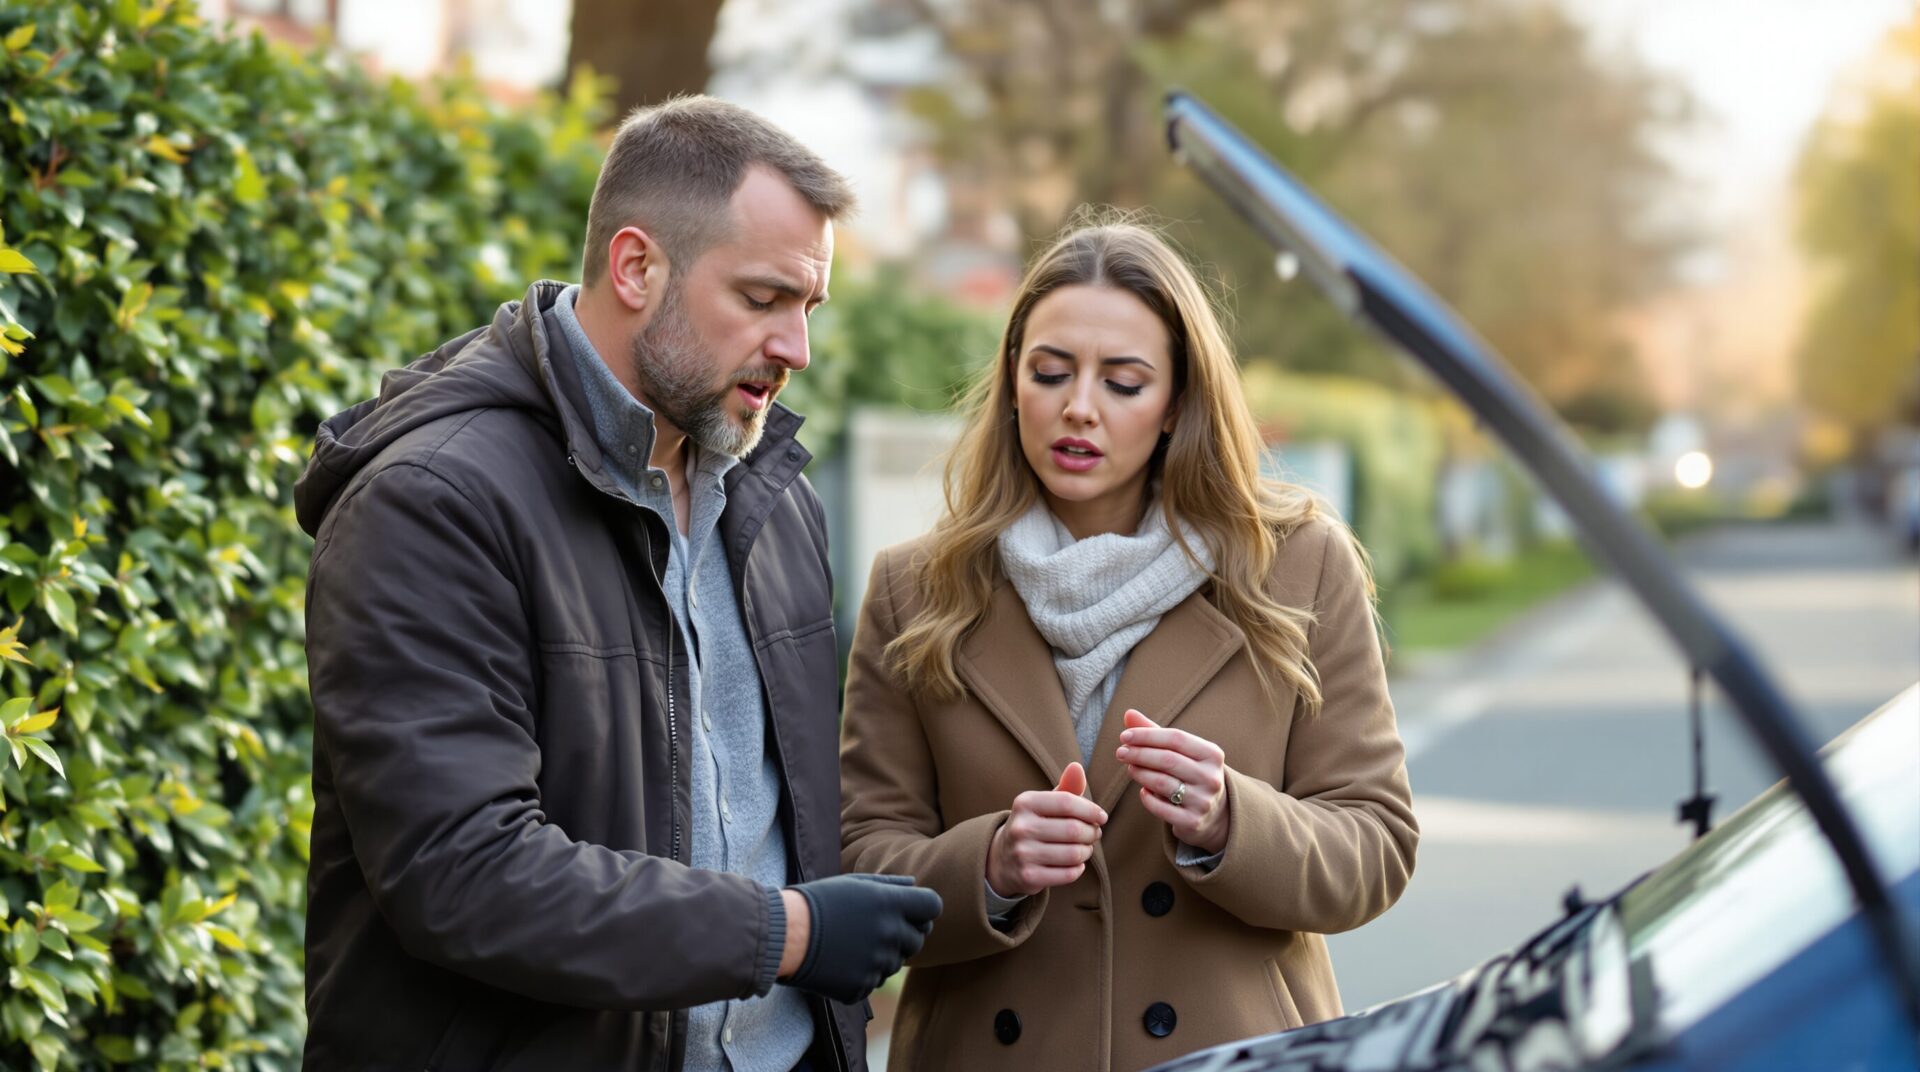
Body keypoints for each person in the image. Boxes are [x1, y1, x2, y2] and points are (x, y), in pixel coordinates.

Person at [296, 95, 940, 1071]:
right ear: (637, 266)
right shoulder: (432, 501)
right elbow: (462, 871)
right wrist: (787, 932)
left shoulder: (776, 505)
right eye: (763, 299)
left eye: (809, 309)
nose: (797, 350)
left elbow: (811, 815)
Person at [839, 219, 1418, 1071]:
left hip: (1231, 1052)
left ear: (1177, 401)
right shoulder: (915, 588)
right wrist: (989, 866)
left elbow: (1376, 842)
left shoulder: (1293, 566)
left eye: (1124, 382)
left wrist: (1232, 822)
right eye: (1050, 372)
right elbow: (862, 856)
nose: (1079, 407)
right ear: (1010, 383)